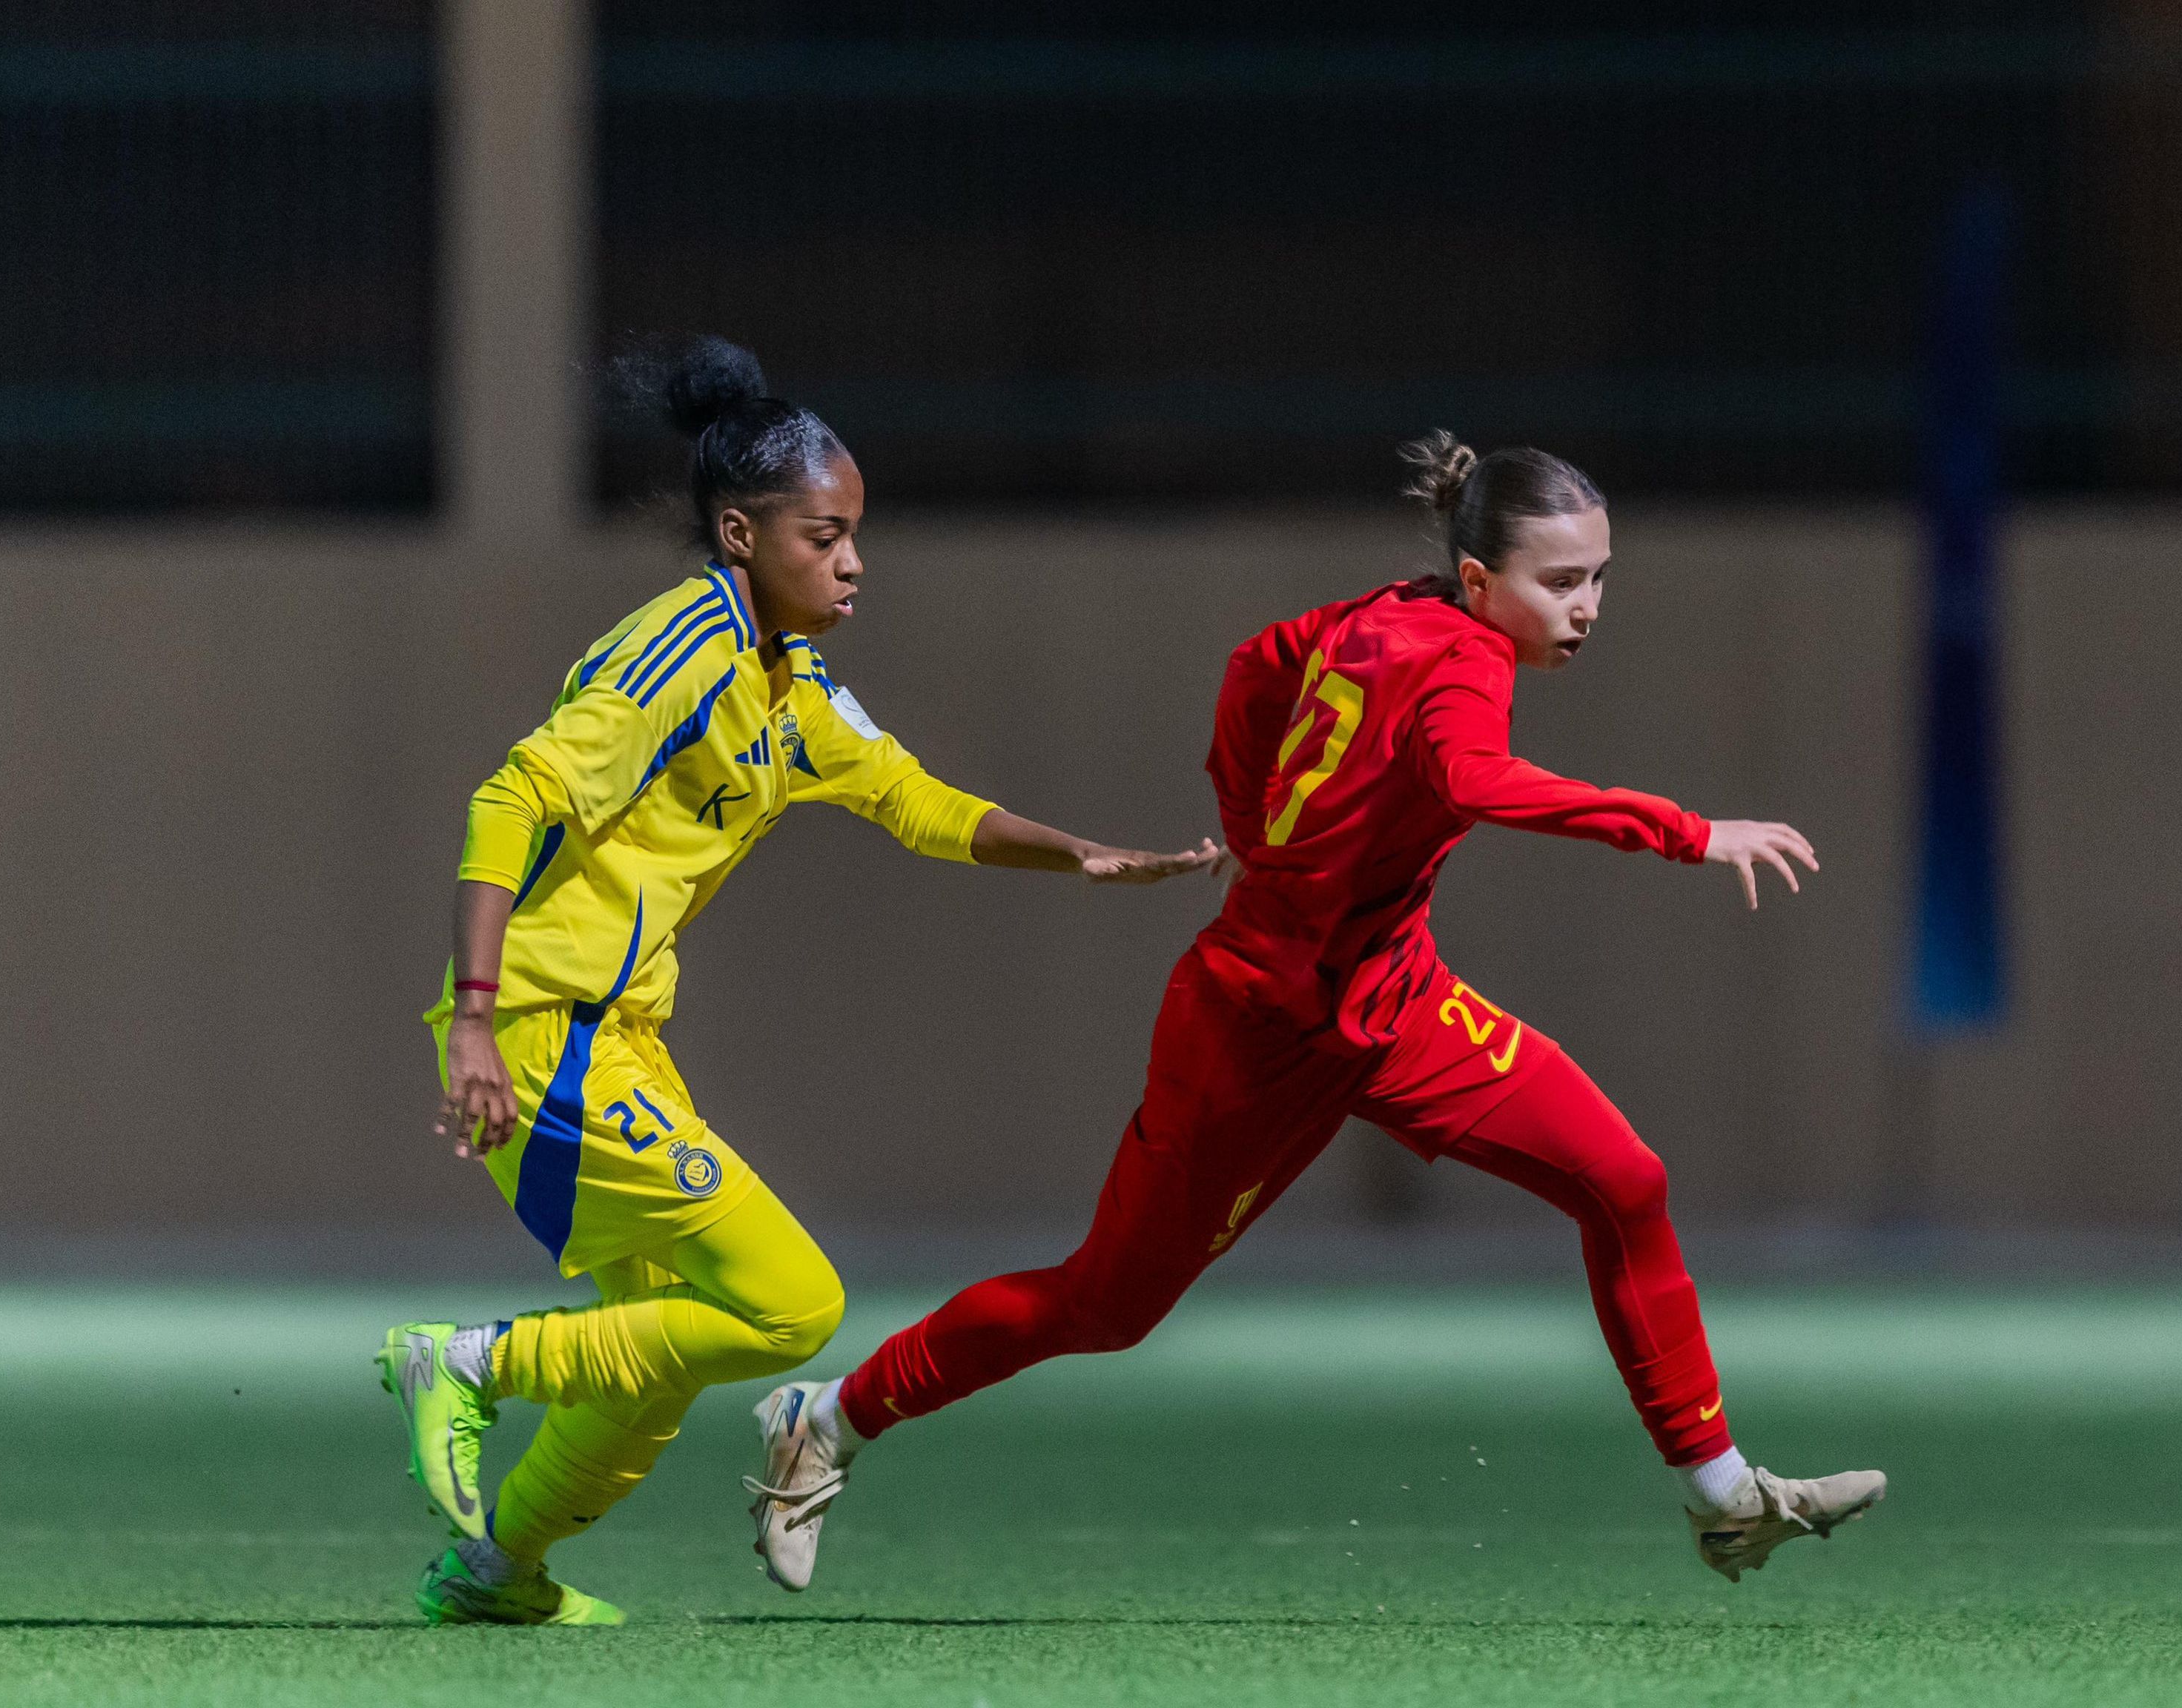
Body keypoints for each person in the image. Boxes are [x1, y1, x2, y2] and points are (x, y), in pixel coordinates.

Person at [748, 431, 1883, 1593]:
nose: (1587, 607)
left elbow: (1254, 663)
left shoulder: (1380, 613)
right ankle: (826, 1419)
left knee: (1624, 1181)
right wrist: (1689, 830)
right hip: (1257, 1029)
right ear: (1484, 584)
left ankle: (1726, 1498)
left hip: (1394, 1005)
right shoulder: (1466, 661)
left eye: (1598, 577)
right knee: (1106, 1303)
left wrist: (1249, 814)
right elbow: (1473, 779)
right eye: (1561, 582)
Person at [374, 335, 1220, 1626]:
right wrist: (478, 1019)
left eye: (855, 535)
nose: (852, 561)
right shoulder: (687, 651)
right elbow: (515, 796)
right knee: (789, 1306)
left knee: (655, 1350)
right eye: (824, 536)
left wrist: (1081, 854)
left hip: (619, 1039)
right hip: (548, 1032)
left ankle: (499, 1572)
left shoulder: (793, 686)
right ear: (739, 532)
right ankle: (467, 1363)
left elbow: (914, 800)